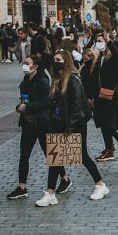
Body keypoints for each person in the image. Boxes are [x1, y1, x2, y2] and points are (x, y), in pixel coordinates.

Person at [35, 50, 108, 206]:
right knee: (55, 157)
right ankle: (49, 192)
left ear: (66, 62)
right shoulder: (56, 80)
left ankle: (100, 184)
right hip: (60, 123)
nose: (56, 62)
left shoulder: (73, 80)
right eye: (54, 59)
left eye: (59, 59)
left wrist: (68, 130)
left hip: (75, 125)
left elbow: (75, 108)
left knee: (82, 155)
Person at [8, 54, 52, 200]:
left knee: (50, 154)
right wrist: (19, 107)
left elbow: (46, 103)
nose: (24, 66)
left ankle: (64, 178)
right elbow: (24, 100)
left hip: (41, 124)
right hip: (28, 123)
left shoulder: (42, 81)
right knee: (24, 155)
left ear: (35, 66)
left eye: (27, 63)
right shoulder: (26, 80)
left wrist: (27, 107)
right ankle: (22, 187)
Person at [87, 35, 118, 162]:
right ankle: (109, 148)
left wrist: (117, 93)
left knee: (108, 123)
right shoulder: (99, 58)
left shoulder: (112, 58)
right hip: (99, 95)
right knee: (102, 124)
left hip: (110, 95)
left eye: (99, 41)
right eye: (96, 41)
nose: (97, 43)